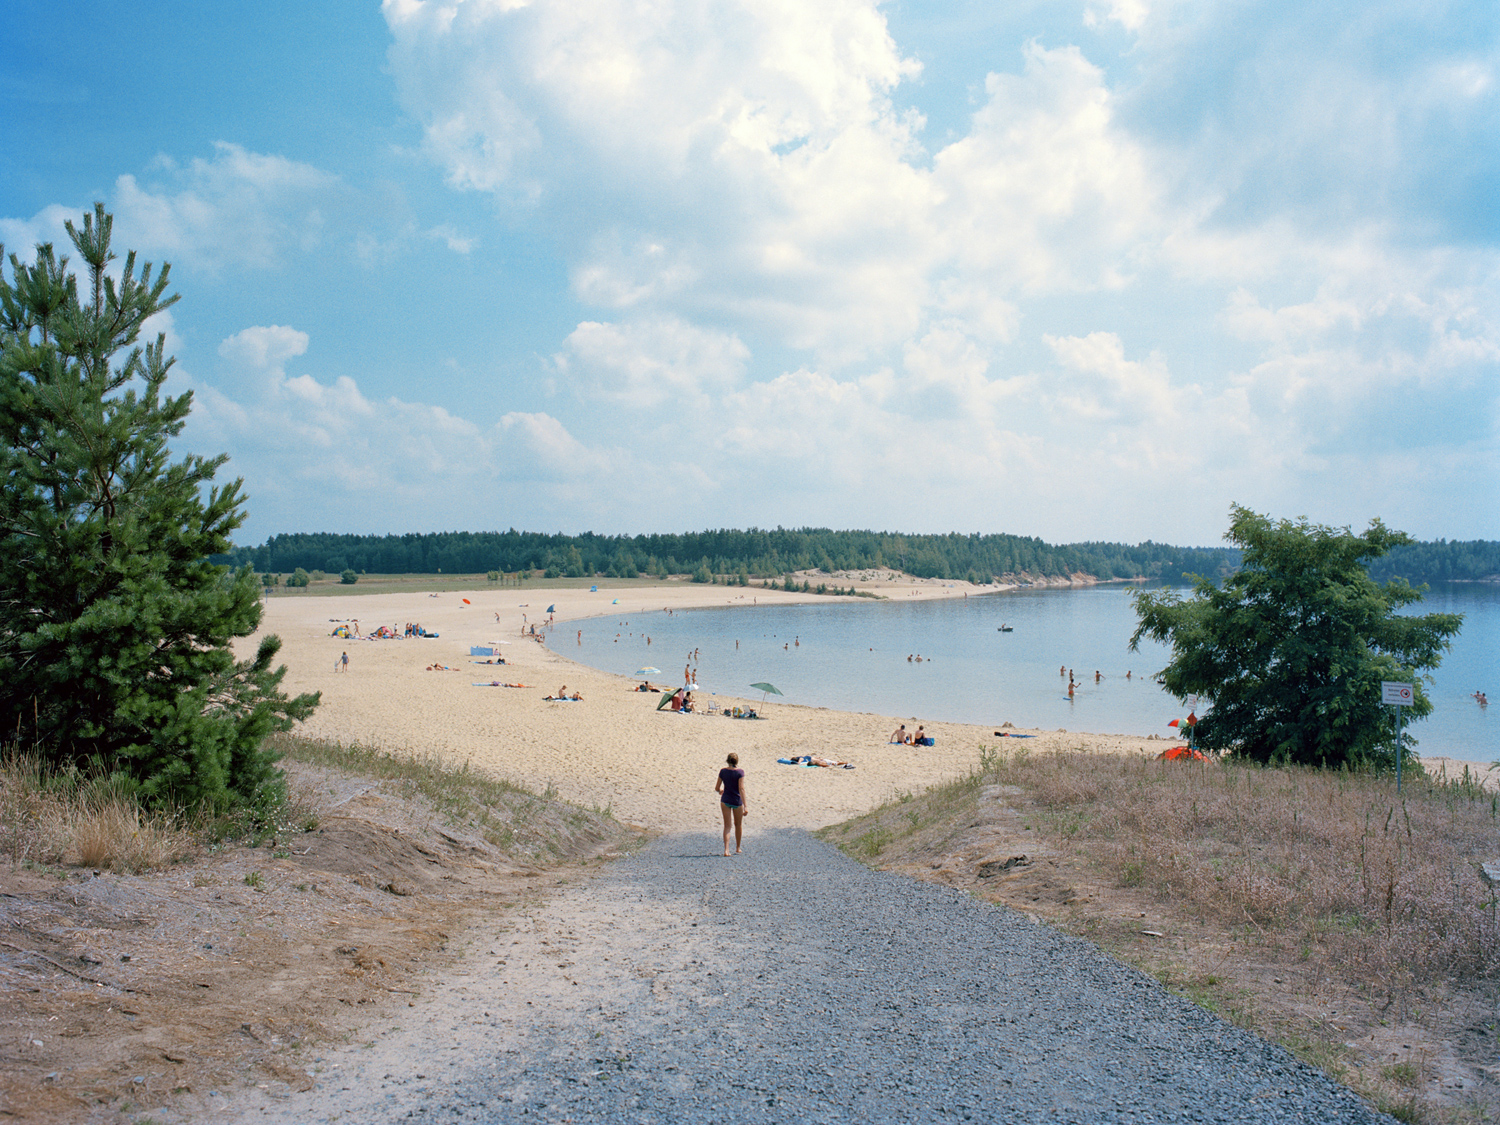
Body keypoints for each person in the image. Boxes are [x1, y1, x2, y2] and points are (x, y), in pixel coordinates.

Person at [716, 753, 746, 856]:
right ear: (737, 761)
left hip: (725, 800)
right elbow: (741, 789)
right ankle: (738, 847)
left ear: (727, 760)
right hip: (736, 801)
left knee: (727, 826)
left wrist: (721, 790)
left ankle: (726, 850)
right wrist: (745, 806)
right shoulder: (740, 772)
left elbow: (717, 787)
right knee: (738, 825)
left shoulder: (723, 771)